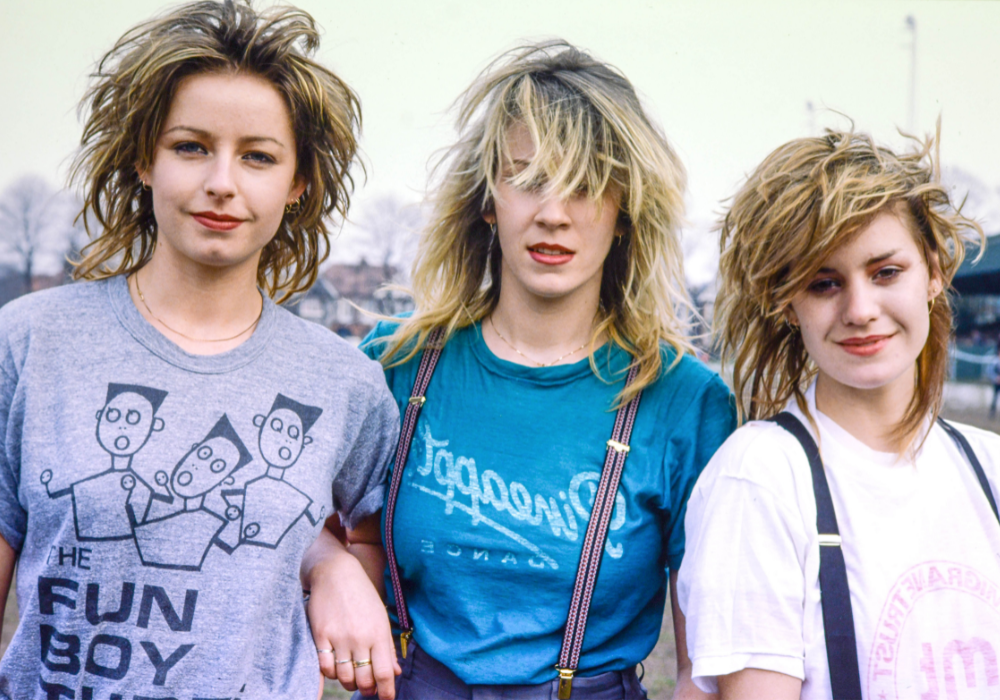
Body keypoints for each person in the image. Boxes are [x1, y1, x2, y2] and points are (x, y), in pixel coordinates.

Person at [0, 2, 400, 699]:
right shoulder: (31, 342)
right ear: (143, 159)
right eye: (191, 146)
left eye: (258, 156)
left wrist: (333, 565)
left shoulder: (344, 383)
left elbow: (367, 535)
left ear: (297, 183)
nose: (222, 181)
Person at [333, 41, 735, 699]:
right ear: (488, 198)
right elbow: (309, 536)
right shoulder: (392, 367)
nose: (554, 212)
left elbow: (705, 665)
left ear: (626, 208)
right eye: (527, 177)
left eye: (585, 185)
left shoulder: (686, 402)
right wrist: (333, 571)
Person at [678, 129, 999, 700]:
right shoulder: (760, 478)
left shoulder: (989, 465)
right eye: (825, 283)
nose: (859, 310)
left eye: (885, 272)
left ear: (933, 271)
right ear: (788, 303)